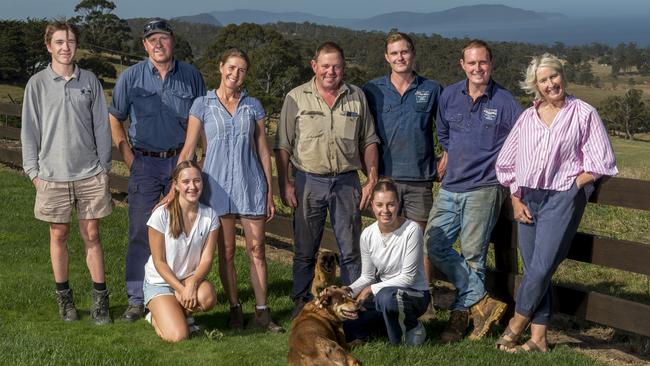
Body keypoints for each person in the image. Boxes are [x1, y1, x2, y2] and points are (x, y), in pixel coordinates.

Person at [495, 54, 617, 352]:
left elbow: (602, 161)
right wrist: (514, 197)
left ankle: (516, 325)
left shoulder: (584, 113)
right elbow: (506, 162)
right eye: (543, 80)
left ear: (563, 76)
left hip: (562, 198)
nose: (551, 84)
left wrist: (573, 186)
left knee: (540, 267)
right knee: (538, 269)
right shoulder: (527, 116)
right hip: (527, 198)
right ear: (535, 86)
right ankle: (538, 339)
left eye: (554, 76)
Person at [171, 48, 283, 333]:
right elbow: (188, 149)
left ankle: (262, 312)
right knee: (227, 252)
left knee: (257, 249)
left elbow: (262, 151)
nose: (235, 74)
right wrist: (175, 188)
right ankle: (235, 308)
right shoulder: (202, 105)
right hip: (216, 190)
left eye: (242, 70)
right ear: (221, 67)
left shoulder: (252, 106)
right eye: (231, 68)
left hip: (250, 187)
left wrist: (269, 193)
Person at [424, 39, 523, 342]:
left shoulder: (505, 102)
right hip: (452, 185)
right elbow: (442, 130)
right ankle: (482, 299)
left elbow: (522, 142)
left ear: (491, 64)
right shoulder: (450, 95)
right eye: (472, 63)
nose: (477, 68)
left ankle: (459, 319)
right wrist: (449, 152)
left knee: (472, 255)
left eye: (483, 62)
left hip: (485, 188)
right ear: (462, 65)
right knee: (432, 244)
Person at [109, 18, 206, 321]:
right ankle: (137, 298)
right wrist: (129, 157)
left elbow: (201, 118)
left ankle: (179, 293)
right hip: (145, 163)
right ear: (144, 45)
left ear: (172, 41)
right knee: (141, 230)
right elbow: (116, 116)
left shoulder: (191, 76)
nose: (158, 44)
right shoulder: (131, 77)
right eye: (152, 40)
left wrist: (197, 161)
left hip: (181, 161)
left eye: (163, 38)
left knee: (182, 231)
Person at [274, 42, 380, 318]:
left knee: (351, 250)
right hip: (309, 182)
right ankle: (301, 305)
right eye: (325, 66)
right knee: (305, 250)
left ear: (343, 68)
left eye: (336, 66)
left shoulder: (357, 97)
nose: (330, 71)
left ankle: (352, 306)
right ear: (314, 66)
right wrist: (285, 183)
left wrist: (371, 178)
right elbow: (283, 145)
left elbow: (368, 139)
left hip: (346, 182)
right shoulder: (296, 98)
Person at [21, 20, 113, 324]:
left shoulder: (90, 81)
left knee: (92, 234)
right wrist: (33, 171)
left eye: (70, 41)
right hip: (51, 175)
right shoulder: (37, 84)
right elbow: (29, 131)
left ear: (76, 45)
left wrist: (103, 167)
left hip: (89, 174)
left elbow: (102, 125)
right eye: (59, 42)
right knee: (58, 235)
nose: (65, 47)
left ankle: (100, 300)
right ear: (49, 46)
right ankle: (65, 300)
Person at [362, 32, 442, 320]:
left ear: (413, 53)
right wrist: (370, 174)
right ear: (386, 57)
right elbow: (364, 133)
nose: (400, 58)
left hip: (420, 178)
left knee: (420, 242)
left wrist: (446, 157)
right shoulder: (372, 90)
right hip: (386, 180)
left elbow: (444, 128)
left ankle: (424, 302)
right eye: (394, 53)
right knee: (388, 243)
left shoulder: (431, 89)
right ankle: (384, 298)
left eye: (404, 52)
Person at [345, 179, 430, 346]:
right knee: (349, 319)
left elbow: (408, 278)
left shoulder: (412, 230)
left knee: (386, 298)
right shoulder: (367, 234)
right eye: (379, 205)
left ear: (398, 204)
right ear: (372, 205)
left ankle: (412, 328)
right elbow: (367, 276)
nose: (385, 210)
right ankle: (384, 324)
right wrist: (348, 291)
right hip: (384, 292)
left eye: (390, 204)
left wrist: (370, 290)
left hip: (414, 293)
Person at [144, 160, 218, 342]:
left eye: (197, 181)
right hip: (160, 281)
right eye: (186, 182)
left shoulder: (210, 216)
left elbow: (207, 260)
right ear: (175, 186)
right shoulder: (160, 215)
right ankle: (154, 316)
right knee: (178, 336)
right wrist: (180, 288)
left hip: (188, 278)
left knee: (207, 297)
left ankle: (180, 311)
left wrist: (191, 283)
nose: (192, 186)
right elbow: (159, 261)